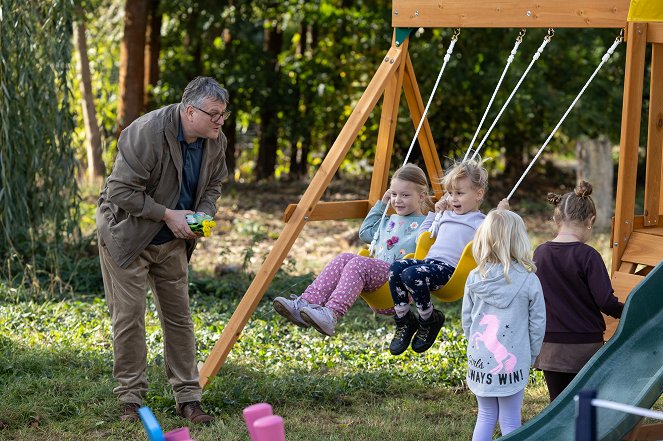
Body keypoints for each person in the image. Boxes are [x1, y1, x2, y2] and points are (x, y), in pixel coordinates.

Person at [96, 76, 230, 424]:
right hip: (128, 235)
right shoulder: (146, 132)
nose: (220, 121)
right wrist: (168, 215)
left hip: (172, 241)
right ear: (190, 111)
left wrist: (203, 214)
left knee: (180, 318)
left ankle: (188, 398)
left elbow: (214, 185)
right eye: (214, 114)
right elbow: (119, 193)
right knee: (129, 317)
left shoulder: (215, 141)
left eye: (223, 114)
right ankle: (131, 400)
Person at [272, 164, 433, 336]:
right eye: (394, 194)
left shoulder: (426, 224)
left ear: (422, 196)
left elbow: (432, 246)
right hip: (378, 285)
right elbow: (365, 233)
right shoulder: (388, 221)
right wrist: (382, 204)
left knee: (358, 262)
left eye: (405, 195)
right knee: (344, 258)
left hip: (397, 289)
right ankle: (305, 303)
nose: (397, 200)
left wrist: (443, 211)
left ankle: (332, 313)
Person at [388, 159, 493, 355]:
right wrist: (435, 214)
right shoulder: (445, 215)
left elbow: (495, 241)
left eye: (460, 193)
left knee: (411, 275)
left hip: (450, 272)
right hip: (428, 264)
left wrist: (501, 214)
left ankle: (429, 320)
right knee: (396, 268)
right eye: (451, 193)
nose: (453, 199)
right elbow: (424, 237)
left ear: (478, 194)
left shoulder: (483, 222)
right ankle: (404, 320)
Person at [533, 181, 623, 402]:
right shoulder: (588, 256)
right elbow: (605, 301)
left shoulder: (540, 253)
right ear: (590, 221)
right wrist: (630, 310)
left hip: (550, 346)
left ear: (556, 220)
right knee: (585, 407)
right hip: (584, 347)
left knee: (558, 406)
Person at [462, 209, 546, 441]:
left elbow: (467, 319)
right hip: (515, 362)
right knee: (510, 419)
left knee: (486, 414)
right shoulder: (529, 280)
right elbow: (538, 324)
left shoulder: (473, 277)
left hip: (480, 362)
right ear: (519, 240)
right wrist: (532, 354)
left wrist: (474, 346)